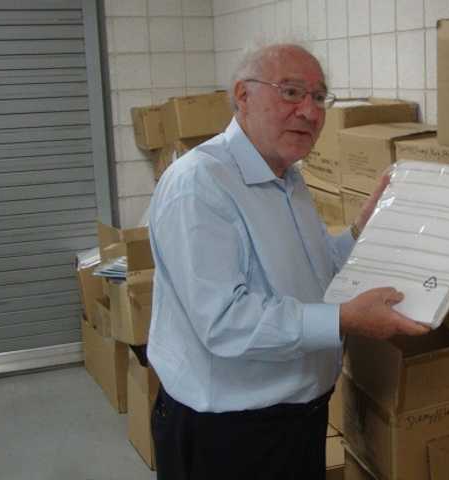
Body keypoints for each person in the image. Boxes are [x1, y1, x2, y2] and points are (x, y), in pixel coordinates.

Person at [147, 42, 429, 479]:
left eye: (319, 97)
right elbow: (224, 320)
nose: (310, 112)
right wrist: (344, 320)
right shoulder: (200, 184)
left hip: (296, 423)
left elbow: (317, 276)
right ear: (243, 96)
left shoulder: (287, 177)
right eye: (292, 92)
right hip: (229, 438)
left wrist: (359, 230)